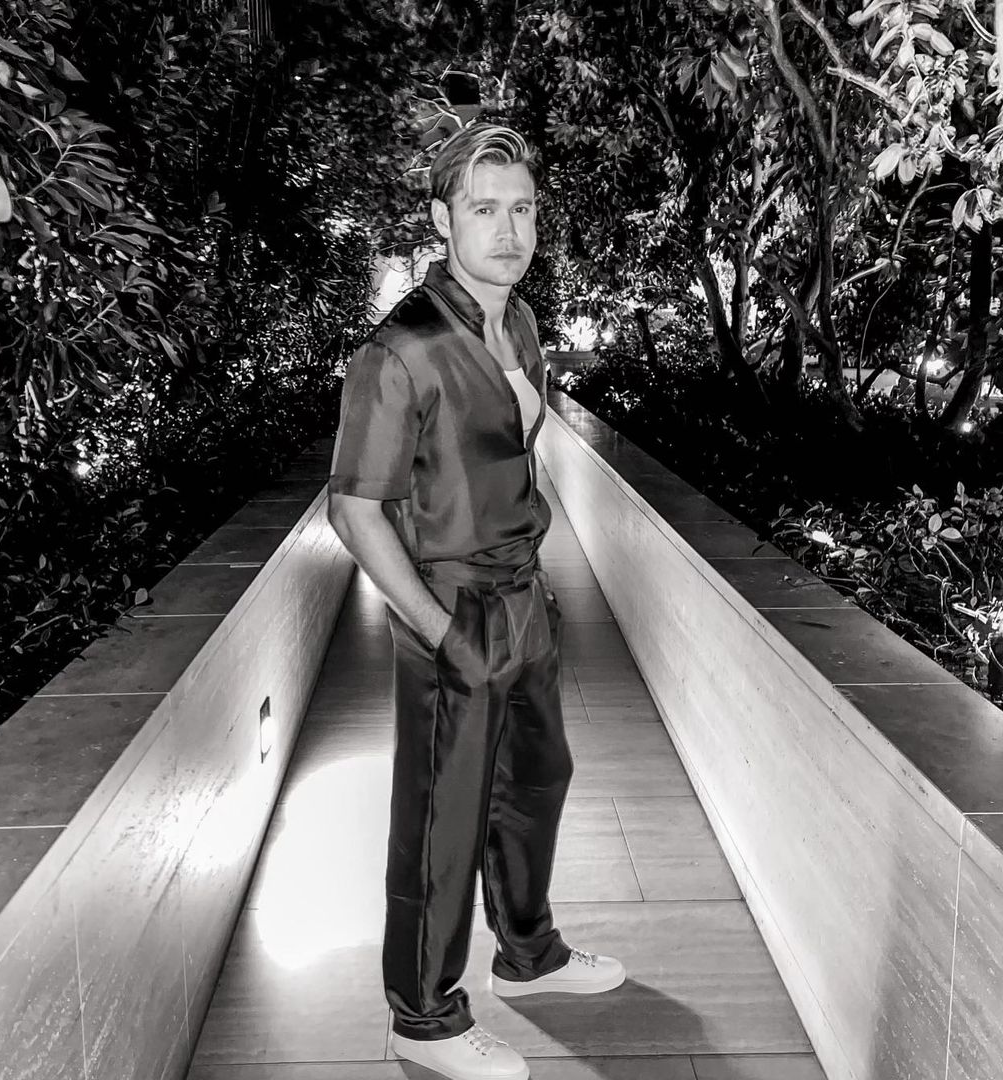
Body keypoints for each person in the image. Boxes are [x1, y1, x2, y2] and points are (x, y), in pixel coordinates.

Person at [327, 123, 625, 1080]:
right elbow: (352, 508)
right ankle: (422, 1016)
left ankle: (527, 955)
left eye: (522, 208)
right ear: (441, 219)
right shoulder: (400, 351)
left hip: (525, 594)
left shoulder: (521, 323)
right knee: (442, 818)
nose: (508, 230)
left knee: (537, 780)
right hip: (450, 607)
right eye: (484, 209)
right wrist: (439, 630)